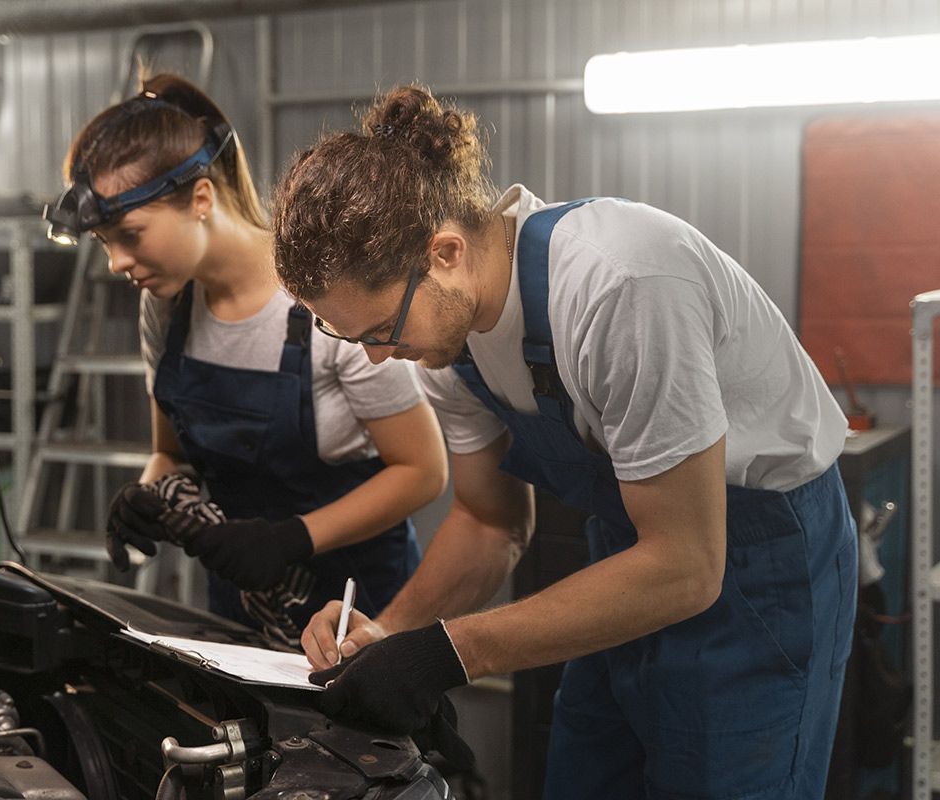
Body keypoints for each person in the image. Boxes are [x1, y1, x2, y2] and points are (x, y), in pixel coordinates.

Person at [270, 85, 858, 798]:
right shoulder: (442, 342)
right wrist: (388, 638)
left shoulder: (620, 286)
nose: (373, 358)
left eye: (377, 332)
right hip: (626, 557)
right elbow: (491, 523)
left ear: (446, 253)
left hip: (758, 572)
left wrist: (454, 651)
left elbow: (688, 564)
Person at [46, 74, 447, 646]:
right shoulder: (166, 308)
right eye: (104, 242)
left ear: (201, 199)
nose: (115, 261)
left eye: (129, 234)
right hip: (240, 604)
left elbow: (423, 471)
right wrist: (149, 494)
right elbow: (170, 453)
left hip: (357, 607)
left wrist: (291, 539)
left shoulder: (323, 298)